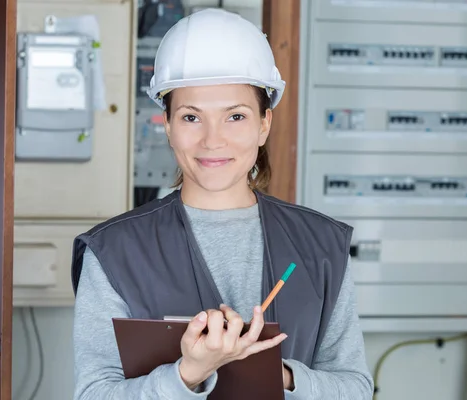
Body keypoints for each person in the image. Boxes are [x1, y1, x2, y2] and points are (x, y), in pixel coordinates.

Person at [70, 8, 374, 400]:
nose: (213, 140)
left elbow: (355, 388)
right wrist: (187, 373)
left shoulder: (321, 246)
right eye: (192, 117)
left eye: (235, 116)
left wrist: (277, 374)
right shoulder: (115, 252)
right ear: (167, 125)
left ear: (264, 124)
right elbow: (93, 394)